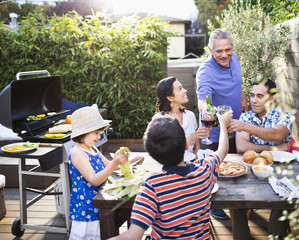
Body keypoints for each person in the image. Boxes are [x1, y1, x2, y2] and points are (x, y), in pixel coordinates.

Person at [109, 110, 233, 240]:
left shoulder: (152, 185)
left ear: (154, 156)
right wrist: (223, 125)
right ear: (186, 145)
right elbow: (222, 150)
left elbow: (132, 236)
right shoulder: (204, 171)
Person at [228, 79, 292, 238]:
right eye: (251, 95)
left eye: (259, 96)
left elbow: (278, 134)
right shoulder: (246, 116)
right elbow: (242, 147)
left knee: (284, 198)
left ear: (272, 98)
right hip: (250, 175)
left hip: (278, 173)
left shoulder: (284, 116)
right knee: (235, 200)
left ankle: (275, 236)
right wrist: (274, 149)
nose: (254, 100)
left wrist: (246, 128)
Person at [196, 28, 248, 219]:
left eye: (228, 49)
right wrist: (209, 109)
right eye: (219, 51)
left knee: (234, 169)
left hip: (235, 126)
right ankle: (213, 205)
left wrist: (242, 99)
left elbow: (238, 83)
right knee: (215, 173)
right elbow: (203, 101)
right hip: (216, 133)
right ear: (210, 50)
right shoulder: (205, 72)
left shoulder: (234, 59)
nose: (224, 55)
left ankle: (236, 204)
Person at [68, 106, 142, 240]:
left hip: (99, 203)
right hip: (87, 209)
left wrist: (128, 163)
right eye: (96, 133)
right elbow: (93, 179)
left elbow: (111, 167)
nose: (99, 136)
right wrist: (114, 163)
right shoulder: (77, 153)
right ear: (83, 132)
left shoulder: (93, 149)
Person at [153, 76, 209, 154]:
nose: (185, 90)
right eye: (180, 89)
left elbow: (197, 148)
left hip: (191, 163)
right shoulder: (158, 120)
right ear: (170, 97)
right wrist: (190, 139)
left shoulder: (190, 115)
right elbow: (163, 151)